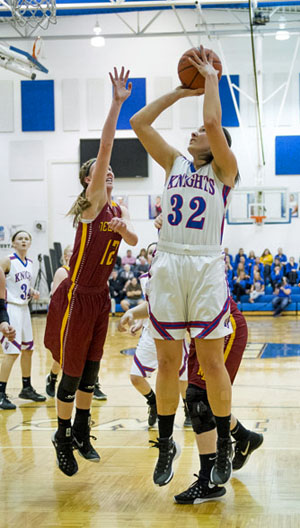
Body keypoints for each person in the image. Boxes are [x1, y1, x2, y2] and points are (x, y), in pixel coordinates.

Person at [130, 46, 239, 487]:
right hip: (169, 261)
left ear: (219, 148)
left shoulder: (226, 172)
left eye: (204, 133)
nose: (197, 131)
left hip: (204, 265)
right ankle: (166, 441)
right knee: (166, 361)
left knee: (211, 363)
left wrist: (211, 77)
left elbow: (213, 122)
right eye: (193, 130)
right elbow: (139, 123)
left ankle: (226, 445)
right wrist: (179, 91)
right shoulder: (174, 162)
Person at [44, 67, 137, 477]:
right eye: (100, 171)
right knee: (72, 373)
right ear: (89, 180)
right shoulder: (93, 201)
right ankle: (62, 436)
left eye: (109, 172)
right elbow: (105, 146)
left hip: (102, 298)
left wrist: (125, 229)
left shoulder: (118, 208)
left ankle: (82, 429)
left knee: (92, 374)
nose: (108, 172)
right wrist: (116, 104)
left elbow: (133, 240)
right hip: (79, 296)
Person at [174, 298, 263, 504]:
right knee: (202, 399)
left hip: (222, 326)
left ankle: (208, 481)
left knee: (199, 398)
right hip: (200, 330)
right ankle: (244, 437)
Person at [117, 271, 191, 429]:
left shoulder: (175, 272)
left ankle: (188, 409)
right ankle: (153, 402)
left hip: (173, 331)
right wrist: (140, 322)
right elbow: (149, 304)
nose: (153, 254)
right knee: (135, 377)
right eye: (150, 252)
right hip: (150, 333)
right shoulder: (145, 278)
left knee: (182, 378)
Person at [45, 246, 109, 402]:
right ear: (66, 257)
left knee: (92, 353)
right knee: (62, 357)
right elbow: (56, 299)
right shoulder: (63, 271)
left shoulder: (86, 273)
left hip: (85, 319)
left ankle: (94, 384)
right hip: (67, 319)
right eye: (72, 253)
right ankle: (53, 377)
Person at [0, 230, 46, 410]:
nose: (24, 241)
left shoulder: (30, 263)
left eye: (27, 238)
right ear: (13, 243)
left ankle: (26, 387)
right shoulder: (7, 260)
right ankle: (1, 392)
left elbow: (20, 286)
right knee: (11, 352)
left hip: (24, 308)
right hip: (11, 308)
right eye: (20, 238)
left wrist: (31, 292)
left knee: (28, 350)